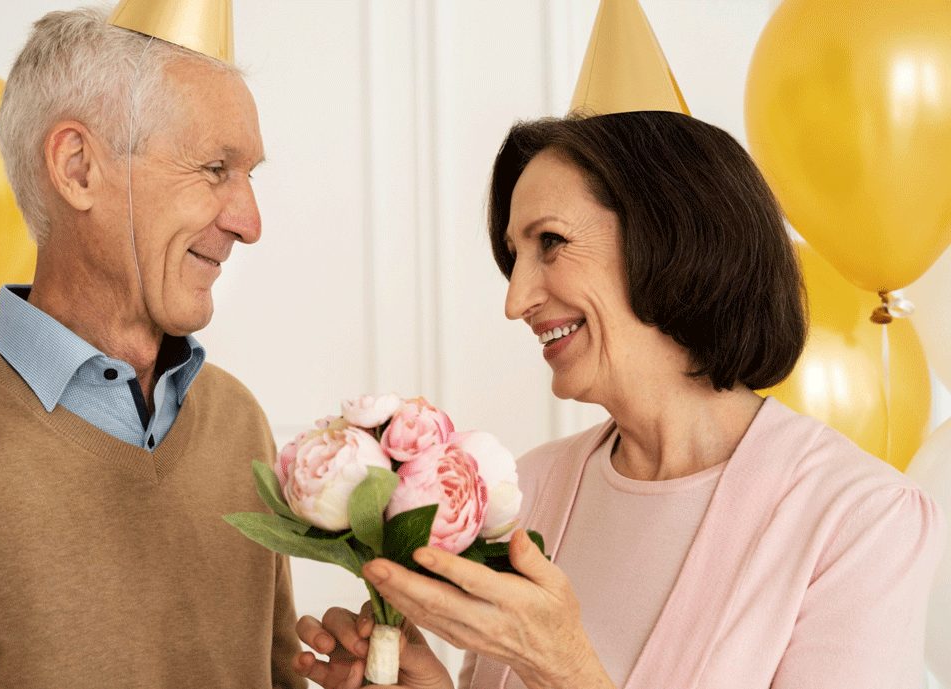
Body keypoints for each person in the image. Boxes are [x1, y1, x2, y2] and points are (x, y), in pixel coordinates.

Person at [293, 111, 945, 689]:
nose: (516, 300)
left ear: (670, 236)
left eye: (550, 243)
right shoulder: (533, 486)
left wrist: (562, 668)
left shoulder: (861, 520)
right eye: (514, 256)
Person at [0, 7, 304, 689]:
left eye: (249, 174)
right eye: (215, 167)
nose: (249, 221)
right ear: (77, 168)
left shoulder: (236, 423)